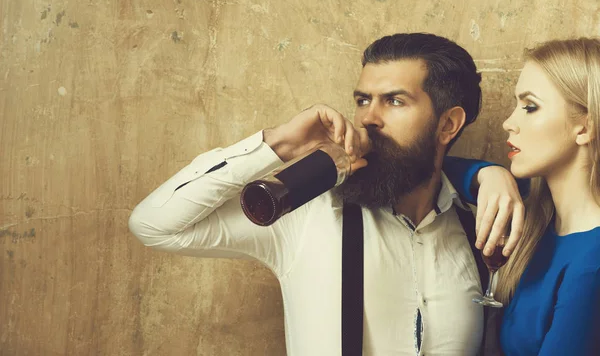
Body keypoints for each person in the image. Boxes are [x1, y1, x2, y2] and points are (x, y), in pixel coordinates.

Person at [128, 33, 523, 355]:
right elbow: (155, 225)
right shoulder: (307, 215)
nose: (368, 117)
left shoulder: (480, 233)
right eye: (363, 100)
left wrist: (486, 173)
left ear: (448, 124)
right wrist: (279, 144)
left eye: (395, 101)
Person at [492, 38, 600, 355]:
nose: (508, 123)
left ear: (584, 127)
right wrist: (488, 175)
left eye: (530, 107)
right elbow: (433, 169)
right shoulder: (540, 224)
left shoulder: (591, 264)